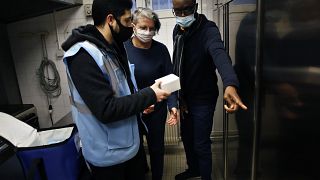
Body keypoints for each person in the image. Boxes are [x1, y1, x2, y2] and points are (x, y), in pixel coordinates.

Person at [61, 0, 171, 179]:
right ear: (111, 20)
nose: (130, 26)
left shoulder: (111, 49)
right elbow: (106, 109)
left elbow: (122, 91)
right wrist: (150, 94)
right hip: (108, 155)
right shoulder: (82, 56)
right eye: (128, 21)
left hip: (127, 146)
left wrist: (140, 104)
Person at [171, 0, 247, 179]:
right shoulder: (177, 31)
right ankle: (194, 169)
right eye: (177, 11)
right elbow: (177, 63)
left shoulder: (208, 30)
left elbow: (219, 54)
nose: (182, 15)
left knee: (201, 143)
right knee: (187, 139)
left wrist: (230, 83)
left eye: (187, 10)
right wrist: (178, 96)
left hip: (203, 98)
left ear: (196, 7)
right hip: (185, 97)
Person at [124, 7, 178, 180]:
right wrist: (138, 105)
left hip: (157, 110)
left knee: (157, 149)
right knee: (135, 151)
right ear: (133, 26)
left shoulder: (160, 50)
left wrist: (173, 106)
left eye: (151, 28)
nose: (148, 32)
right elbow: (121, 84)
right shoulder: (122, 50)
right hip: (133, 111)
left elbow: (170, 81)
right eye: (143, 28)